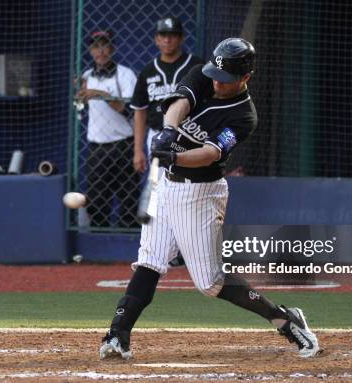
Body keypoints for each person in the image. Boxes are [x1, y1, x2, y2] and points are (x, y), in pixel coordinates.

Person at [99, 37, 320, 360]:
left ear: (245, 78)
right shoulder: (206, 73)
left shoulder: (244, 116)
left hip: (200, 193)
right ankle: (117, 336)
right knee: (150, 261)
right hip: (167, 186)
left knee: (210, 282)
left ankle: (286, 320)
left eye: (227, 80)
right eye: (216, 76)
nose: (217, 83)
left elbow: (209, 154)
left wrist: (174, 157)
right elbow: (180, 104)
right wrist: (168, 132)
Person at [78, 30, 140, 228]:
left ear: (112, 49)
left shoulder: (125, 74)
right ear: (90, 50)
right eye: (96, 46)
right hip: (97, 146)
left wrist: (101, 94)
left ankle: (128, 245)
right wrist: (81, 99)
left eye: (105, 45)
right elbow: (83, 108)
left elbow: (131, 111)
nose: (101, 51)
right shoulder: (87, 76)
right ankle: (96, 244)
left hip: (123, 144)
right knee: (96, 200)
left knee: (128, 199)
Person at [130, 16, 204, 174]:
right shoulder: (147, 71)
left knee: (188, 184)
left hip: (190, 135)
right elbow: (140, 111)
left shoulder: (196, 66)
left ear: (181, 38)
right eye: (163, 35)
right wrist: (138, 150)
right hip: (157, 135)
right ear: (156, 39)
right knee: (161, 188)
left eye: (173, 35)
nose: (167, 40)